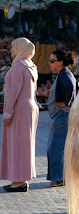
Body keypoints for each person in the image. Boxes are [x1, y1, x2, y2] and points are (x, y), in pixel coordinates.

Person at [0, 38, 39, 192]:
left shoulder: (18, 67)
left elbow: (12, 94)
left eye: (13, 47)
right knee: (24, 145)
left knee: (17, 145)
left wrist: (8, 114)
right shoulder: (31, 65)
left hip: (19, 109)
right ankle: (20, 178)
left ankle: (19, 181)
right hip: (29, 108)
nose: (11, 50)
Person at [46, 50, 77, 187]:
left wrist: (67, 102)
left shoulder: (65, 74)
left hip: (62, 115)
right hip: (62, 115)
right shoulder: (63, 74)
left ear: (61, 62)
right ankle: (60, 177)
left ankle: (57, 178)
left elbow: (70, 86)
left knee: (55, 148)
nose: (50, 63)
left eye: (52, 61)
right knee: (60, 148)